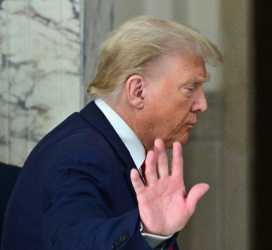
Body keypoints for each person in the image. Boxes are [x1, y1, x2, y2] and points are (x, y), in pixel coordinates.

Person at [1, 16, 222, 250]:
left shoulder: (109, 145)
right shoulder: (80, 154)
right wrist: (147, 230)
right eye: (190, 88)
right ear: (137, 91)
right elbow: (71, 242)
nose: (202, 104)